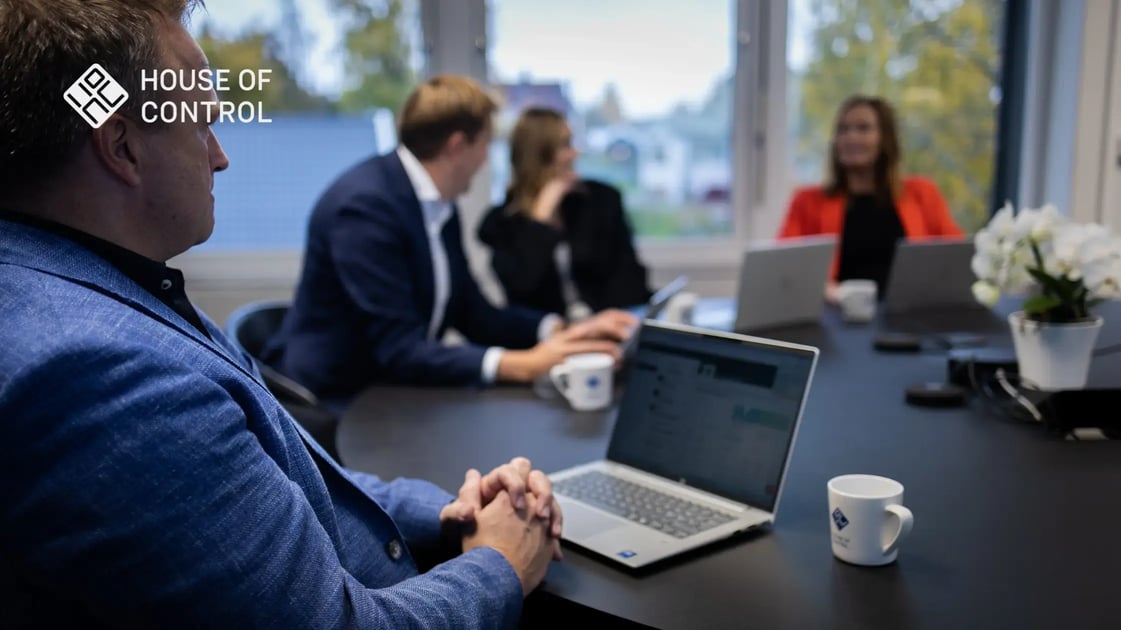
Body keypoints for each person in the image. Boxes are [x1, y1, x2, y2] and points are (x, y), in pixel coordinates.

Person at [0, 1, 564, 626]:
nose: (220, 156)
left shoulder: (103, 286)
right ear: (122, 145)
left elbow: (292, 481)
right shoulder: (103, 378)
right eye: (203, 126)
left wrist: (443, 512)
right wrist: (500, 565)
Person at [266, 78, 636, 403]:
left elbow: (471, 312)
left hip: (390, 391)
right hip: (338, 399)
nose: (486, 161)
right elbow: (399, 348)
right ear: (458, 145)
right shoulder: (365, 209)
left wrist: (561, 330)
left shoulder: (439, 202)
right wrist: (522, 365)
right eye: (486, 145)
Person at [777, 95, 964, 300]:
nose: (851, 137)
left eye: (863, 128)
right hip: (836, 316)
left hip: (909, 315)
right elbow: (783, 271)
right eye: (843, 129)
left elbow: (955, 260)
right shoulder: (807, 201)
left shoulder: (923, 193)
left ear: (885, 138)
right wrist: (823, 290)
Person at [478, 107, 652, 319]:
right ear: (538, 155)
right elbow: (522, 287)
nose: (575, 153)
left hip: (607, 329)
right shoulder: (501, 223)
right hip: (542, 341)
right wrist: (542, 216)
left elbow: (631, 281)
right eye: (566, 145)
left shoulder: (601, 200)